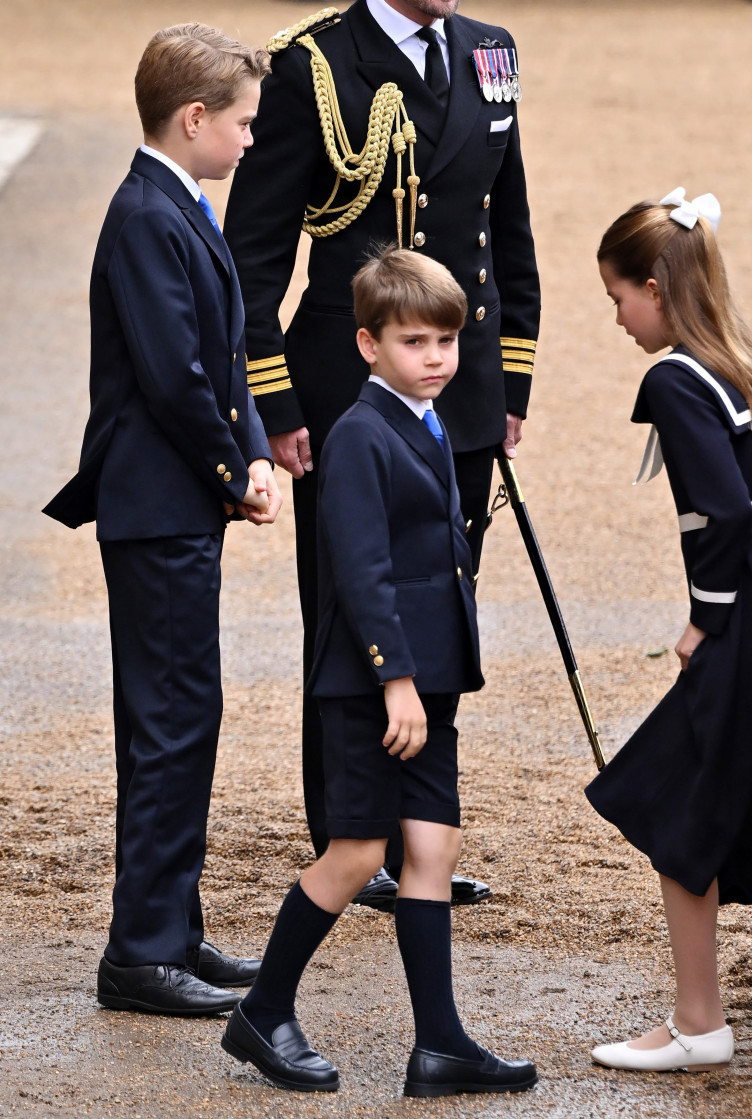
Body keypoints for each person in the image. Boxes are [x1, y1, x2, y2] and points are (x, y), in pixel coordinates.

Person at [223, 0, 541, 908]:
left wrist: (508, 382)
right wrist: (275, 404)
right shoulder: (312, 68)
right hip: (343, 397)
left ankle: (418, 835)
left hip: (462, 386)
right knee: (352, 610)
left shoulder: (490, 51)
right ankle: (351, 833)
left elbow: (503, 225)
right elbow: (252, 265)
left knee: (439, 604)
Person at [219, 247, 538, 1096]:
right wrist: (394, 677)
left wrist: (432, 675)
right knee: (359, 851)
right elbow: (358, 570)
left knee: (432, 845)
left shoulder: (428, 422)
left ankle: (440, 1044)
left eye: (446, 339)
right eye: (413, 342)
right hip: (372, 688)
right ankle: (264, 1008)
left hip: (427, 684)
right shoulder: (360, 433)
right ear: (367, 345)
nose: (435, 358)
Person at [43, 23, 283, 1016]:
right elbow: (176, 378)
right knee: (174, 723)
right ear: (193, 120)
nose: (251, 142)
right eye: (243, 124)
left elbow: (224, 360)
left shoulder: (174, 203)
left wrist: (258, 451)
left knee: (177, 719)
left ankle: (171, 929)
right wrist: (237, 471)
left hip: (178, 500)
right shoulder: (147, 214)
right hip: (158, 506)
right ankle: (140, 951)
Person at [585, 188, 752, 1071]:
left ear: (656, 288)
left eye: (619, 297)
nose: (618, 318)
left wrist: (706, 622)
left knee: (681, 804)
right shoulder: (743, 358)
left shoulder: (672, 377)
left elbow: (722, 514)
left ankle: (701, 1023)